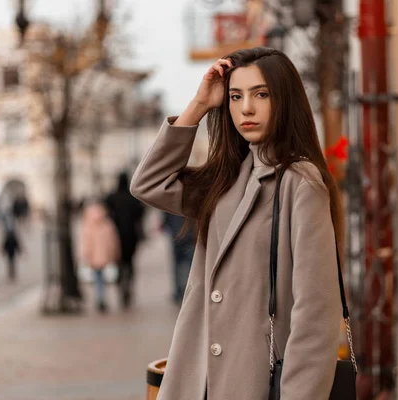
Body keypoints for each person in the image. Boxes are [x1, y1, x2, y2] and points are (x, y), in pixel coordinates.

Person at [130, 47, 345, 399]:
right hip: (201, 381)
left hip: (257, 383)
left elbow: (316, 313)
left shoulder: (299, 183)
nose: (246, 108)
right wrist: (200, 104)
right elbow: (148, 184)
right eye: (235, 96)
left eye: (261, 94)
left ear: (284, 100)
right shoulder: (227, 179)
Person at [104, 171, 145, 308]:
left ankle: (121, 285)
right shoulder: (132, 198)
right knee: (130, 262)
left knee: (119, 262)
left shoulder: (112, 197)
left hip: (115, 236)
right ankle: (128, 285)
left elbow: (106, 213)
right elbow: (140, 213)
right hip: (131, 235)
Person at [79, 199, 121, 313]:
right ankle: (101, 298)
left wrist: (85, 255)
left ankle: (99, 297)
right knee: (102, 278)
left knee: (97, 278)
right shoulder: (107, 223)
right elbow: (113, 241)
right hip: (105, 256)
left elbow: (85, 242)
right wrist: (114, 253)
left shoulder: (88, 225)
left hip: (94, 258)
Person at [163, 212, 195, 305]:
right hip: (189, 237)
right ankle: (185, 291)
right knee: (189, 267)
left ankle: (180, 292)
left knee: (179, 265)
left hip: (178, 236)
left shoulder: (175, 201)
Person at [1, 213, 21, 281]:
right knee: (11, 261)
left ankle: (11, 272)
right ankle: (11, 272)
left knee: (11, 261)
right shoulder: (10, 236)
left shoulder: (10, 236)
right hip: (10, 250)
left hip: (11, 250)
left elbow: (17, 243)